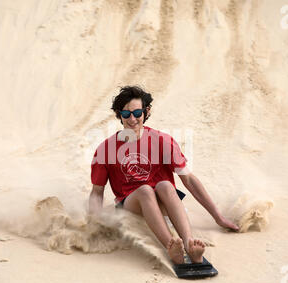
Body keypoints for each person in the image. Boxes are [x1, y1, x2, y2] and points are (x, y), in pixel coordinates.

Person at [88, 86, 239, 265]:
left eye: (137, 112)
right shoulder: (106, 149)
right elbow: (97, 192)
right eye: (126, 114)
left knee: (165, 185)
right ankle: (171, 246)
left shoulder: (162, 141)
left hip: (165, 204)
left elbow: (189, 179)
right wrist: (94, 225)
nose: (132, 119)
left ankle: (189, 244)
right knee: (145, 190)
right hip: (132, 206)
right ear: (118, 114)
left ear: (146, 111)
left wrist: (218, 217)